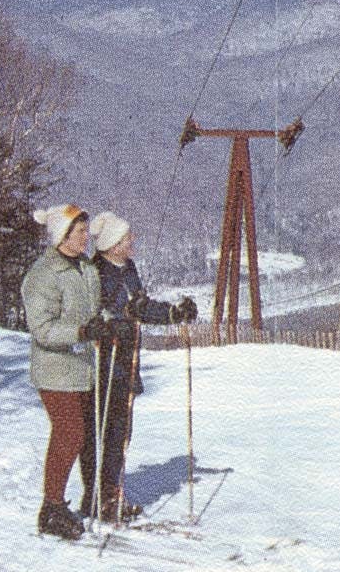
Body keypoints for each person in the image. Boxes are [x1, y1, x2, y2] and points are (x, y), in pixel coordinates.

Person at [79, 210, 198, 522]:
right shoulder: (96, 272)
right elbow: (94, 314)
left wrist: (173, 313)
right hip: (102, 362)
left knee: (120, 431)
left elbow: (139, 307)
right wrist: (112, 322)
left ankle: (112, 491)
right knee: (100, 429)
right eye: (127, 237)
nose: (132, 241)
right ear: (113, 243)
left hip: (127, 361)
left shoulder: (127, 268)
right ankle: (95, 495)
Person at [21, 204, 115, 541]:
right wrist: (82, 332)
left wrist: (103, 325)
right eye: (79, 231)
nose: (86, 236)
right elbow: (43, 329)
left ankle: (78, 499)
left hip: (82, 368)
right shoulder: (43, 275)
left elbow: (94, 309)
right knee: (70, 433)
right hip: (55, 370)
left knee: (81, 435)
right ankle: (51, 507)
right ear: (62, 235)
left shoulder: (85, 268)